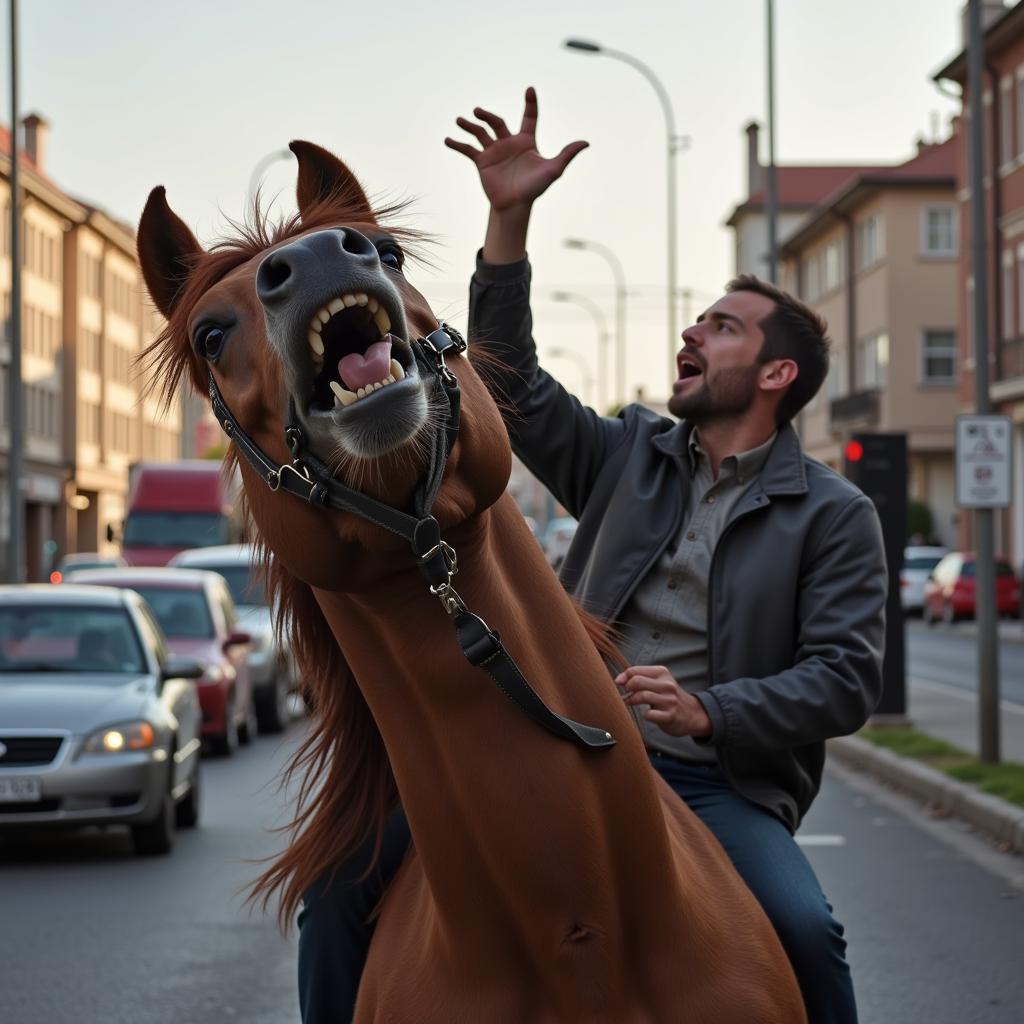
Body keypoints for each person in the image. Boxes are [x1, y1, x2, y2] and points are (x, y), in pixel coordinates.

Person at [296, 88, 887, 1024]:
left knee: (805, 931)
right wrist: (507, 223)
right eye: (697, 319)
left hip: (711, 780)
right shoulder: (626, 456)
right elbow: (512, 384)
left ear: (778, 376)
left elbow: (846, 680)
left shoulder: (835, 514)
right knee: (335, 893)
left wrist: (709, 712)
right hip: (549, 742)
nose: (692, 331)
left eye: (723, 327)